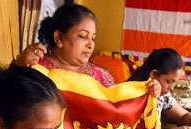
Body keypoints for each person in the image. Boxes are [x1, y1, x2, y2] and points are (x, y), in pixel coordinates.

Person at [14, 3, 161, 95]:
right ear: (59, 38)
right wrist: (17, 68)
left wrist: (145, 92)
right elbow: (2, 102)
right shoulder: (35, 70)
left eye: (93, 38)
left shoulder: (101, 77)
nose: (90, 45)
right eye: (83, 36)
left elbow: (119, 111)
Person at [128, 48, 191, 129]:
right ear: (154, 74)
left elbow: (183, 116)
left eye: (174, 82)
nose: (172, 88)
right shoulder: (132, 96)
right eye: (169, 81)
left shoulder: (161, 95)